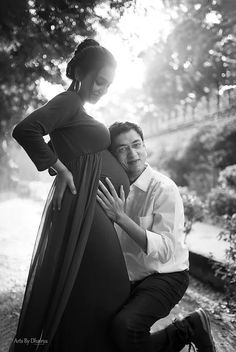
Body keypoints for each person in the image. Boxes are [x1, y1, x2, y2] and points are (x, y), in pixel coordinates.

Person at [10, 39, 130, 352]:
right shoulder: (69, 102)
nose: (103, 89)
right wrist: (63, 171)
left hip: (91, 205)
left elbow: (57, 150)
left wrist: (61, 163)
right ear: (80, 72)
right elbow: (25, 130)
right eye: (100, 81)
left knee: (88, 287)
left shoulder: (74, 109)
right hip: (83, 206)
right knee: (112, 286)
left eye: (108, 85)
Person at [97, 121, 216, 352]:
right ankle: (190, 327)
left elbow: (165, 250)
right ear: (112, 155)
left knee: (125, 327)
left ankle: (188, 328)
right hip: (131, 277)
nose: (132, 154)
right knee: (99, 325)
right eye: (122, 149)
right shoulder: (113, 188)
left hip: (167, 275)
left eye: (136, 144)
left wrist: (121, 217)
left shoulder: (163, 188)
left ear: (144, 146)